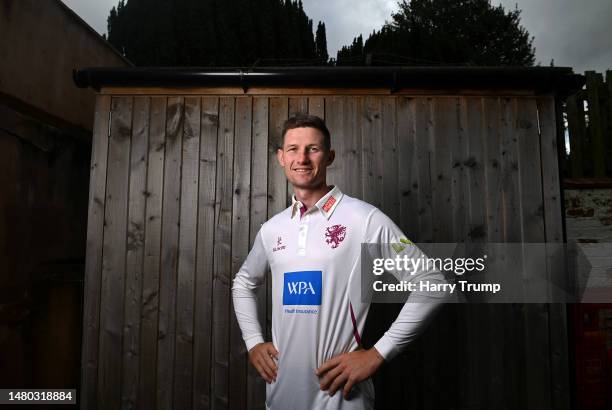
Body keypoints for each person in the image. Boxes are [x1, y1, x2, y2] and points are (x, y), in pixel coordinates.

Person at [232, 114, 448, 410]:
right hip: (281, 397)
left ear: (330, 156)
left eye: (313, 149)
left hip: (341, 400)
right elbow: (243, 283)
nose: (302, 158)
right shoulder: (272, 230)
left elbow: (432, 283)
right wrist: (254, 341)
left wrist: (377, 354)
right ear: (281, 158)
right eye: (293, 149)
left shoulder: (366, 220)